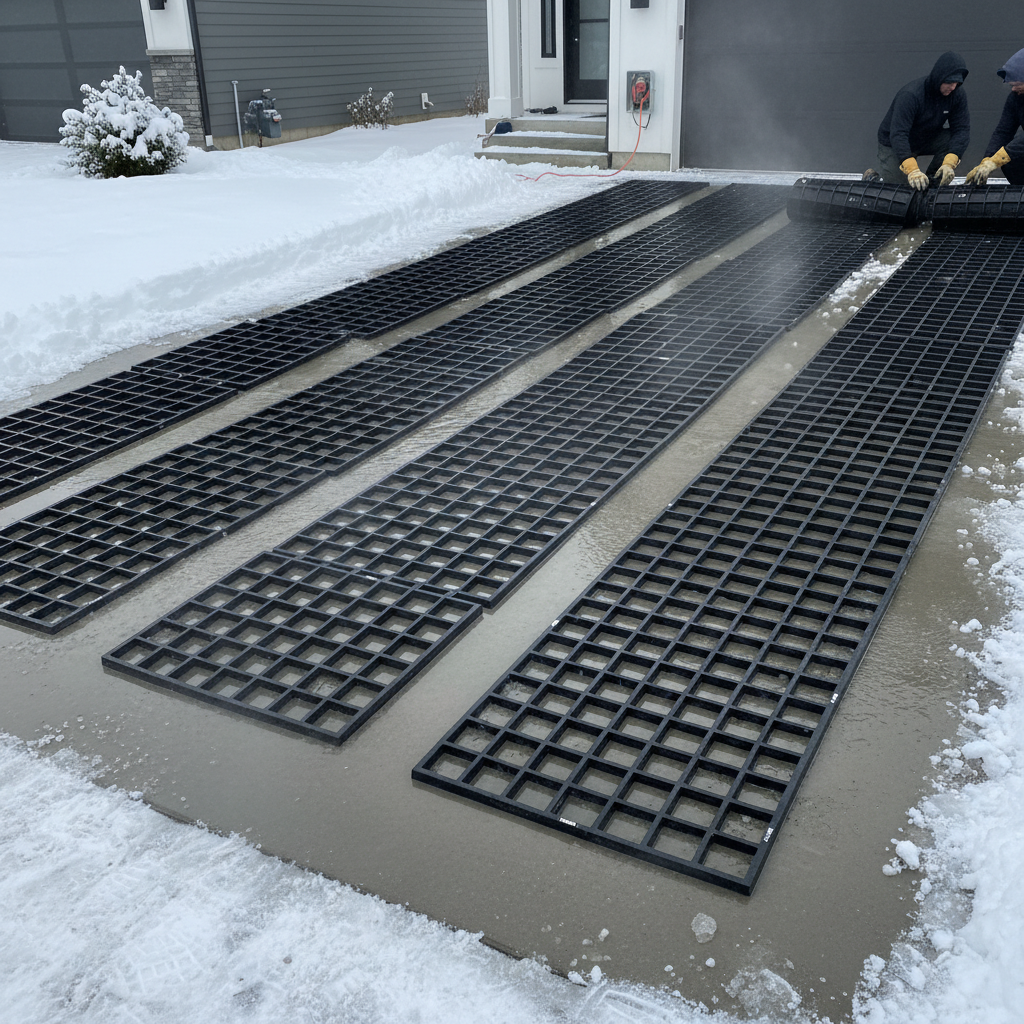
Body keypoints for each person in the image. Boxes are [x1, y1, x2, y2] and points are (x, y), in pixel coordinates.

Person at [866, 51, 970, 190]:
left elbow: (962, 130)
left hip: (925, 137)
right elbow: (898, 134)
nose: (952, 87)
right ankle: (874, 179)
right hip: (894, 142)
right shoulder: (911, 95)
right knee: (901, 190)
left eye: (957, 83)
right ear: (939, 77)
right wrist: (912, 170)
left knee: (952, 139)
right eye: (949, 82)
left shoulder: (956, 94)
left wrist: (949, 163)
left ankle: (933, 181)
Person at [965, 48, 1024, 186]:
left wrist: (995, 160)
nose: (1013, 89)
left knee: (1005, 156)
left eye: (1017, 85)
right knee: (1010, 161)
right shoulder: (1016, 98)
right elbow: (1003, 131)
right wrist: (987, 160)